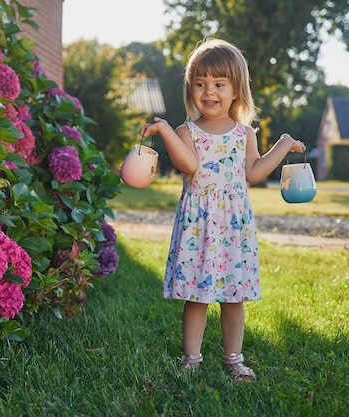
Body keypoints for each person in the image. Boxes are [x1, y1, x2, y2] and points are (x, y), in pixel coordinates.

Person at [140, 38, 306, 382]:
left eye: (218, 84)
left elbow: (255, 173)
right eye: (200, 84)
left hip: (233, 226)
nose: (208, 91)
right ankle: (192, 358)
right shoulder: (187, 131)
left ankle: (234, 359)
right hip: (199, 225)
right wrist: (167, 131)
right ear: (191, 89)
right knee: (197, 298)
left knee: (234, 298)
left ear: (236, 91)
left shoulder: (243, 133)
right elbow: (189, 165)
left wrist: (284, 144)